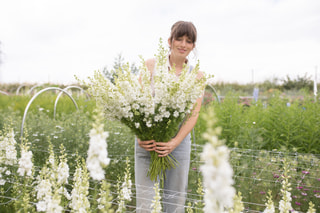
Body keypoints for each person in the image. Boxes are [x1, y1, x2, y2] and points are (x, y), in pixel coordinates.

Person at [135, 21, 204, 213]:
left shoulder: (197, 76)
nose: (183, 44)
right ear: (169, 41)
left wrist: (174, 142)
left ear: (193, 46)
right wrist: (141, 136)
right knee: (145, 204)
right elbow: (136, 103)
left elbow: (193, 114)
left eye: (188, 41)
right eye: (179, 39)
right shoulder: (151, 65)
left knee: (174, 202)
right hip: (147, 141)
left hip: (178, 143)